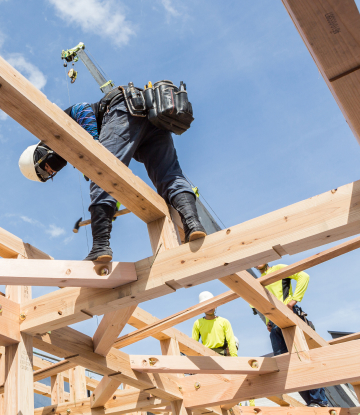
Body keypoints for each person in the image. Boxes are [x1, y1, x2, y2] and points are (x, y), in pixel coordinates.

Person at [18, 86, 205, 261]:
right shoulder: (69, 150)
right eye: (49, 175)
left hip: (124, 109)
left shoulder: (55, 129)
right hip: (150, 120)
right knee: (170, 176)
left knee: (101, 172)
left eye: (45, 168)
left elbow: (81, 109)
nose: (51, 171)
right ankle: (193, 225)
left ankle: (100, 246)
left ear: (40, 154)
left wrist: (93, 149)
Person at [255, 263, 329, 407]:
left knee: (303, 358)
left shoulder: (278, 269)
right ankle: (311, 402)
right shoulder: (258, 282)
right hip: (275, 326)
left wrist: (294, 300)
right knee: (288, 366)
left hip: (289, 318)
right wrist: (267, 321)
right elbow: (257, 304)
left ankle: (319, 401)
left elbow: (303, 276)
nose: (257, 263)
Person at [192, 291, 238, 356]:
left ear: (215, 305)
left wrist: (234, 358)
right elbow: (194, 343)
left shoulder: (224, 322)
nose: (209, 307)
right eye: (206, 305)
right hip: (206, 356)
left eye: (211, 304)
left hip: (222, 356)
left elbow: (231, 341)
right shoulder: (198, 323)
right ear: (201, 307)